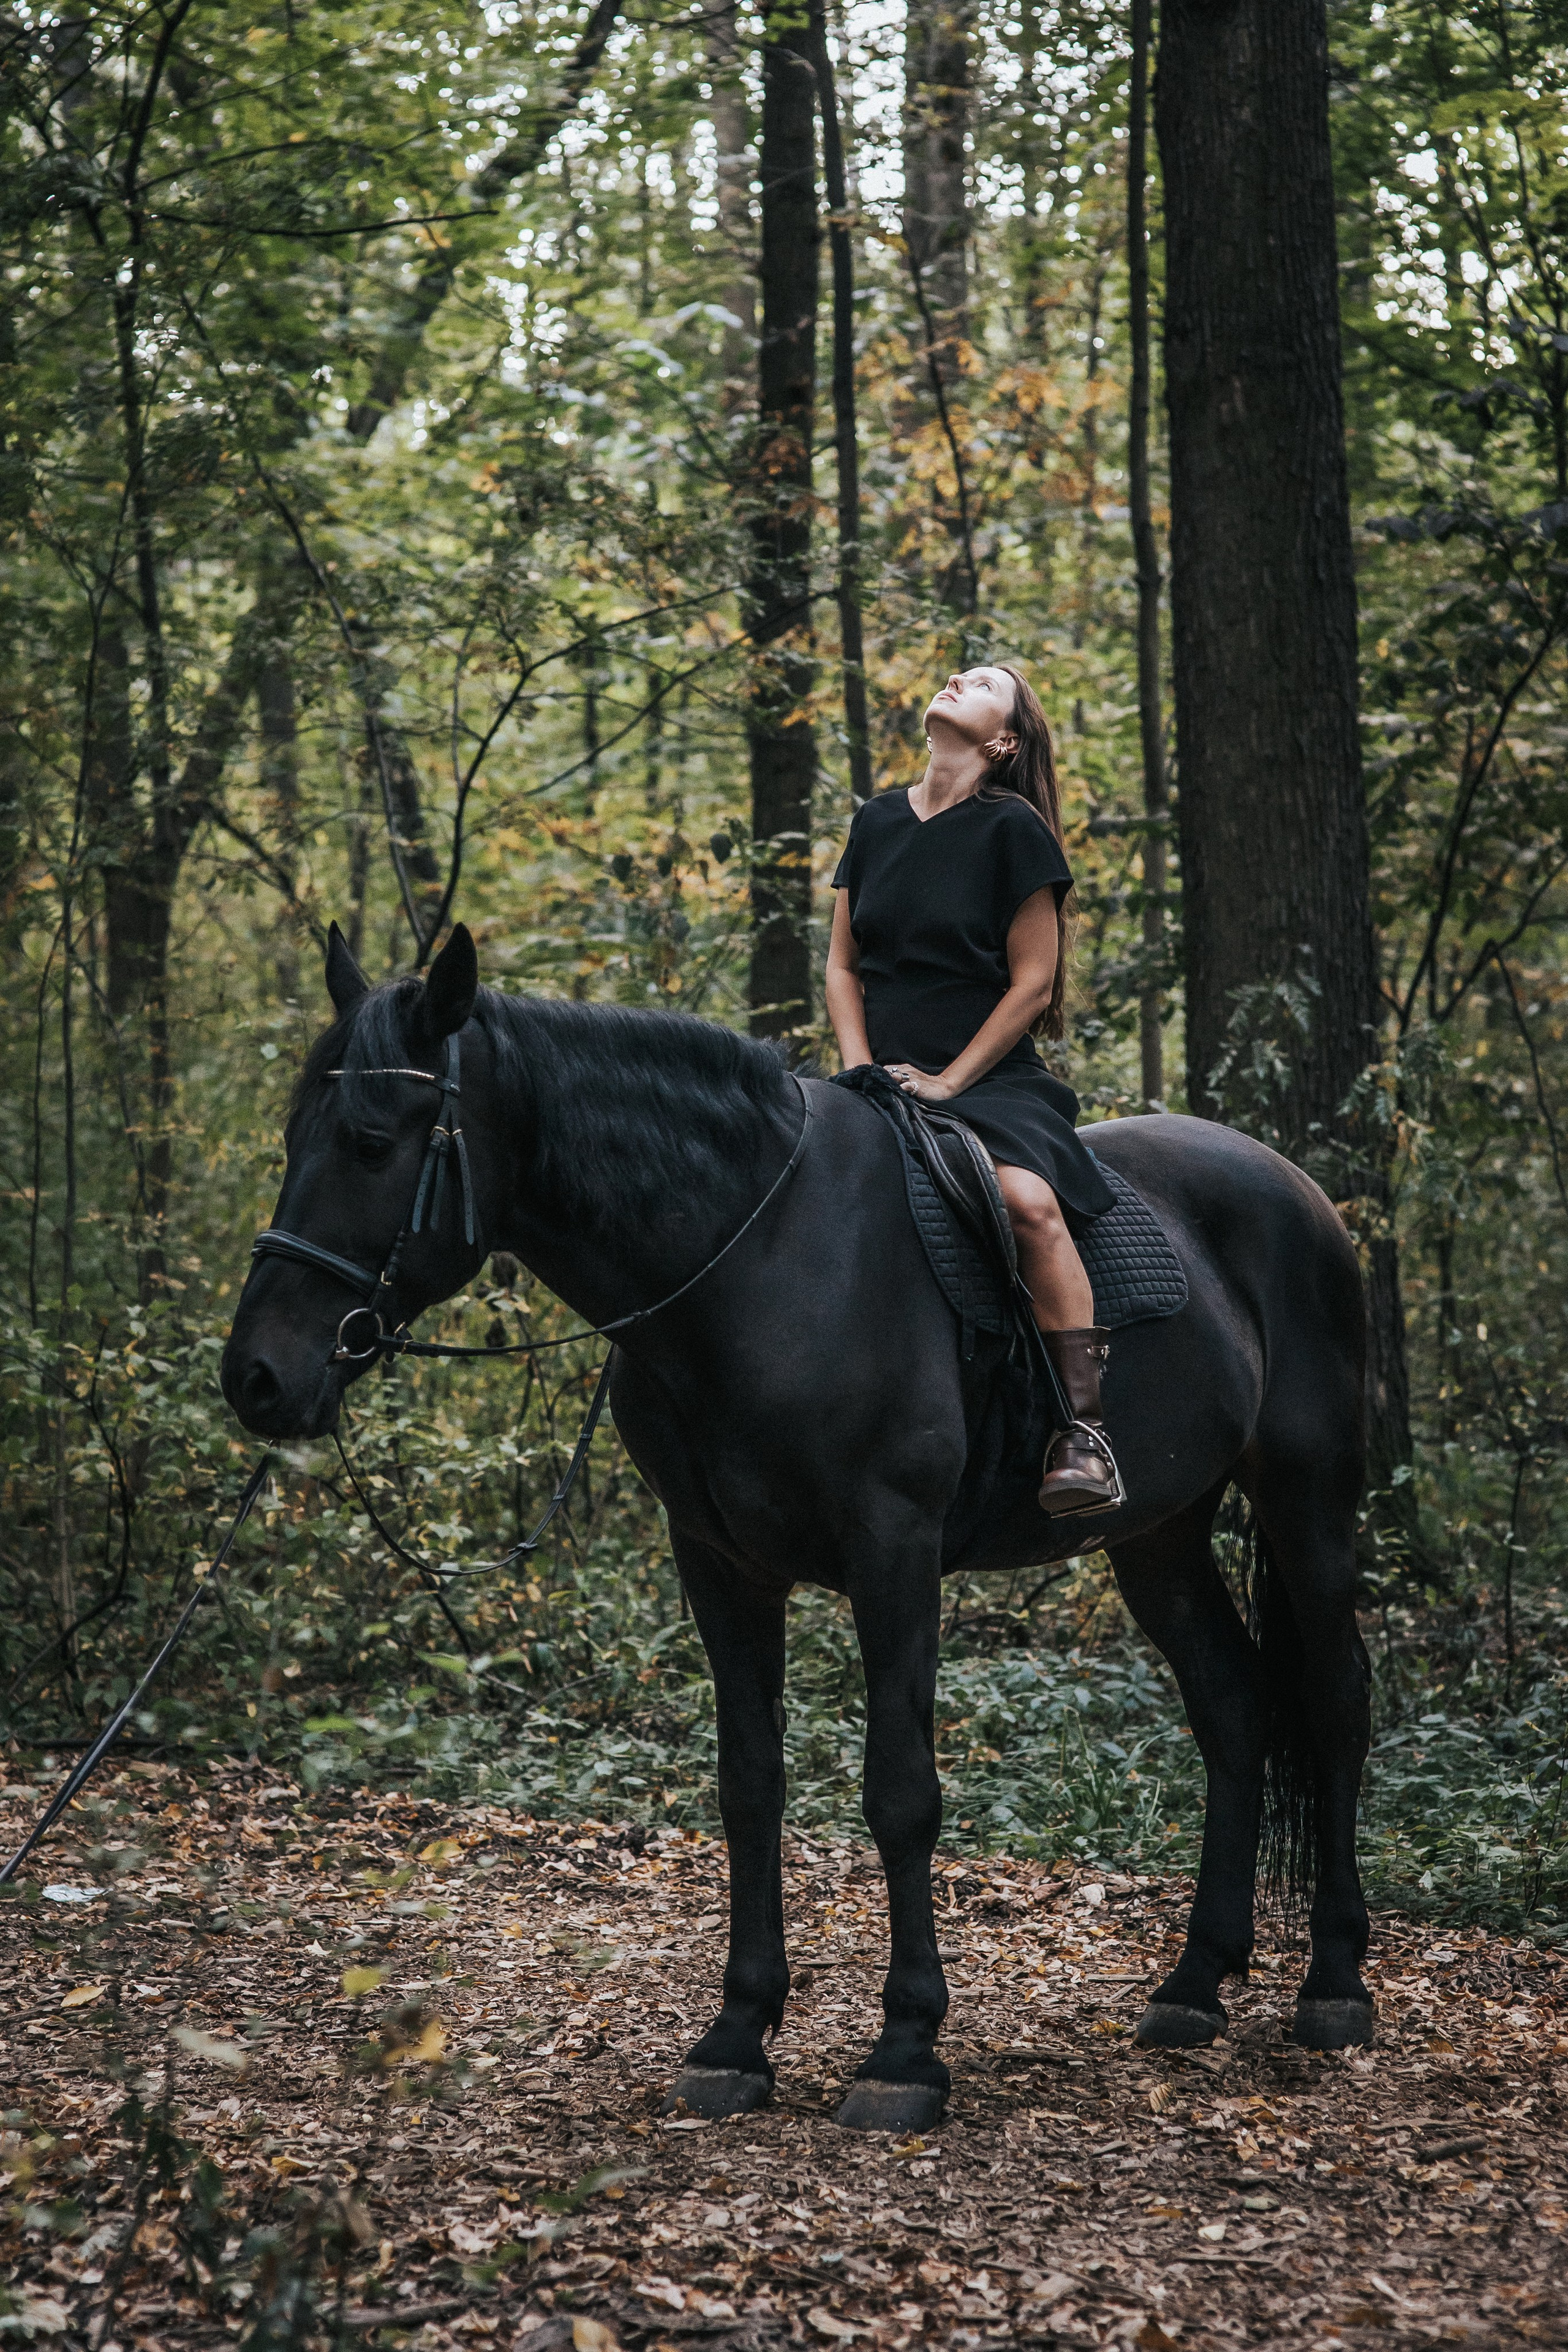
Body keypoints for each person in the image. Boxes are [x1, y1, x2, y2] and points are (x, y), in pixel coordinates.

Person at [826, 663, 1123, 1517]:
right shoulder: (877, 821)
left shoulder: (1014, 831)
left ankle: (1084, 1433)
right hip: (878, 1076)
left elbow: (1033, 986)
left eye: (986, 681)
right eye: (961, 671)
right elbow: (843, 967)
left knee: (1027, 1203)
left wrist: (949, 1083)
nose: (959, 676)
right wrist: (861, 1072)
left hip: (989, 1083)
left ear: (1003, 740)